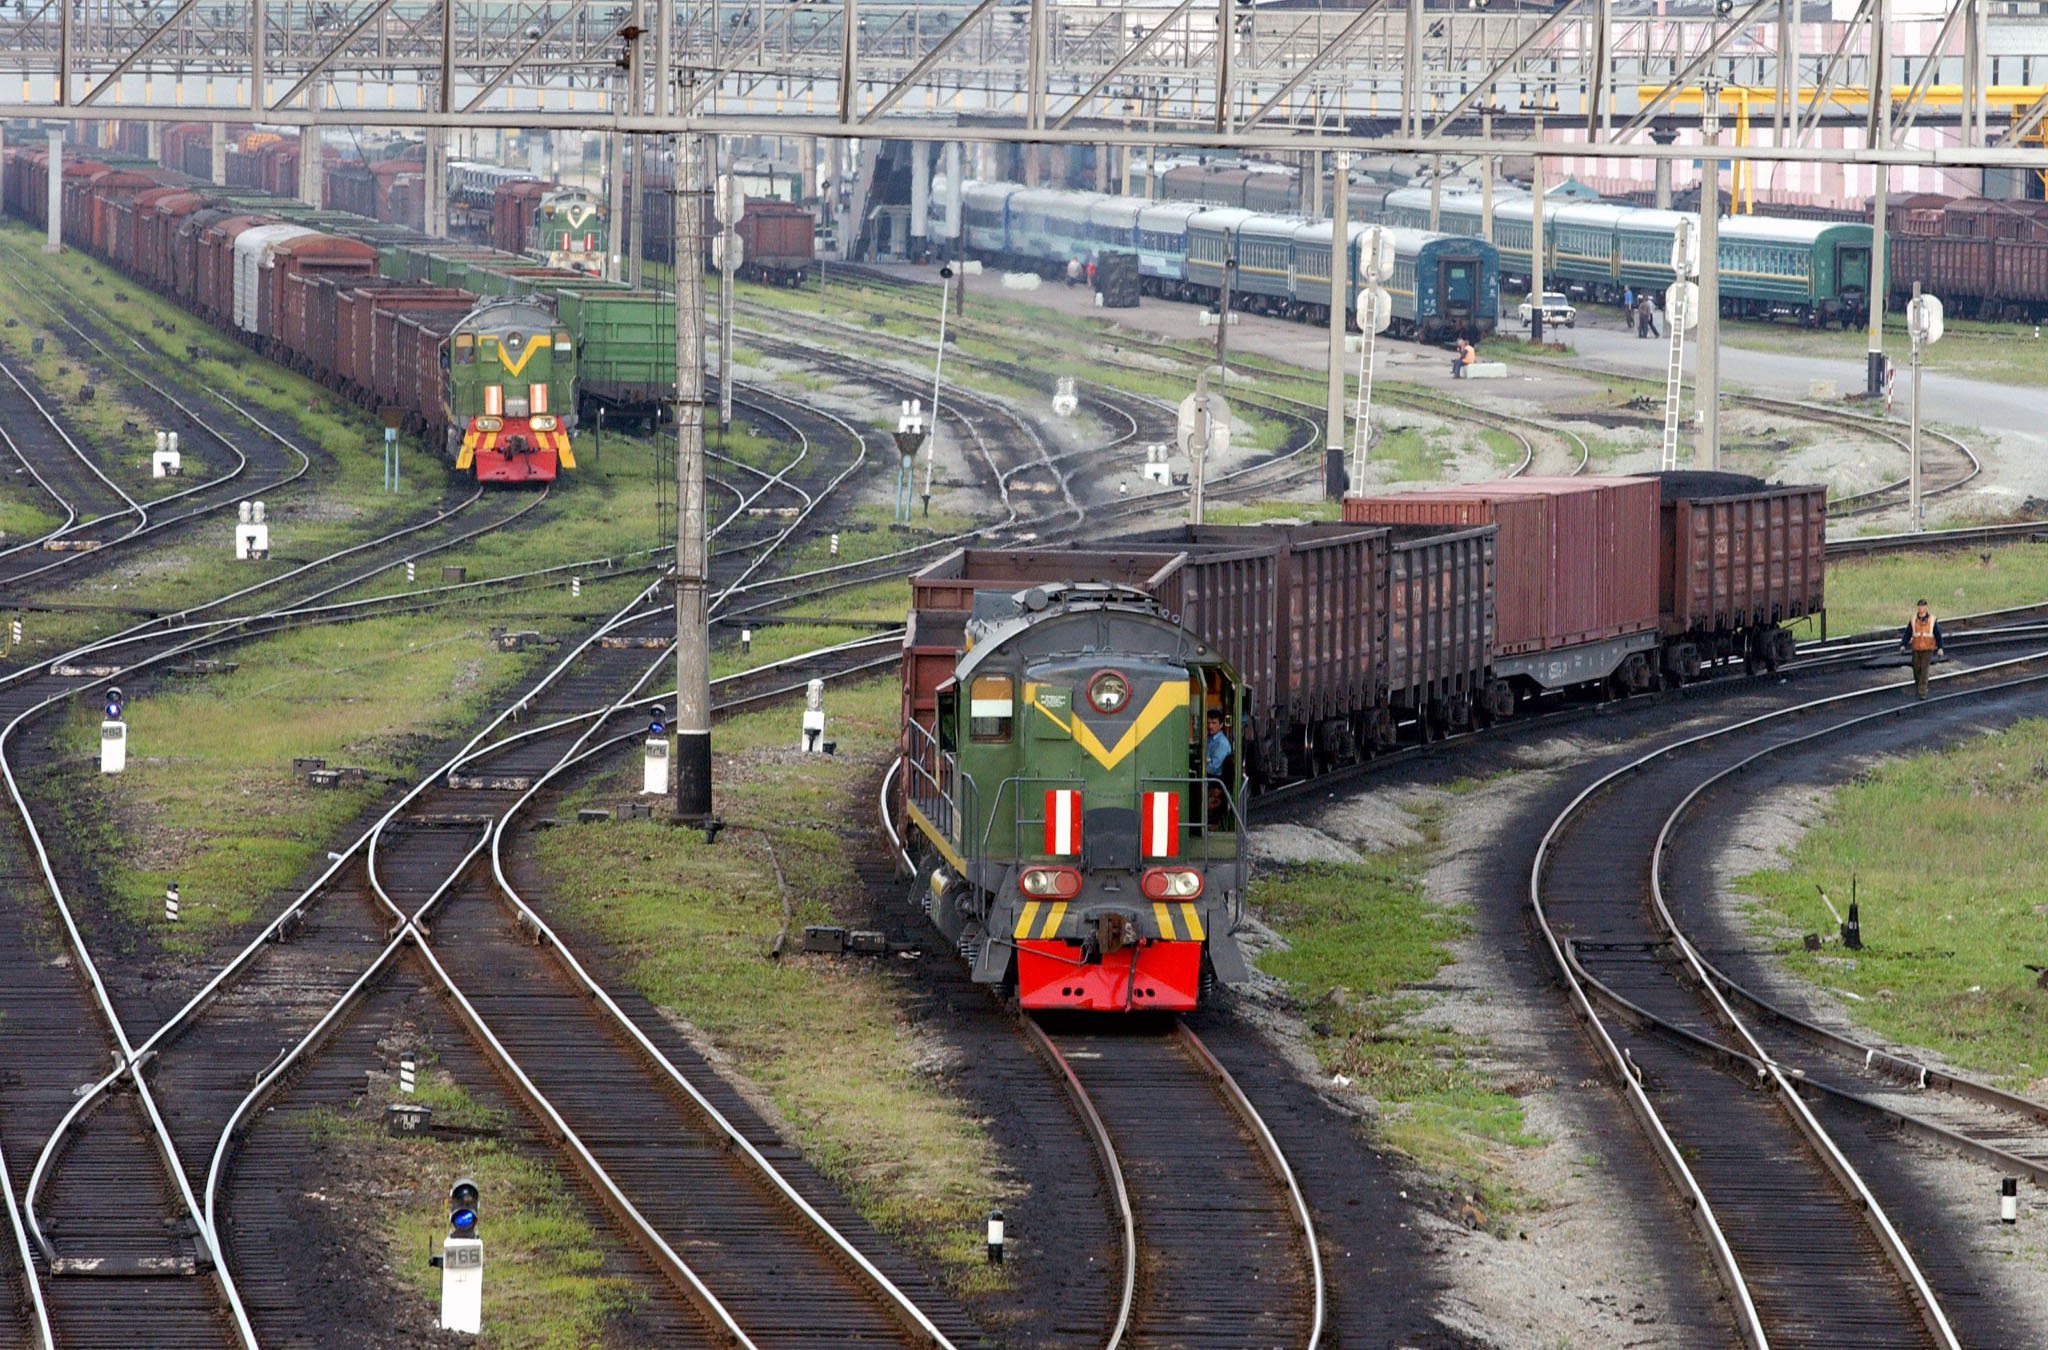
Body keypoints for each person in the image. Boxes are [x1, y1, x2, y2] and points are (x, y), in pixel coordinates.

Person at [1900, 598, 1946, 699]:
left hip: (1927, 649)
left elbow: (1938, 635)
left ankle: (1922, 692)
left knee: (1924, 670)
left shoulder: (1932, 620)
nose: (1920, 608)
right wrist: (1903, 644)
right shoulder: (1913, 620)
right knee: (1916, 669)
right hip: (1916, 648)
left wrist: (1940, 647)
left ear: (1925, 607)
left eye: (1922, 606)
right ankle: (1919, 688)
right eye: (1919, 606)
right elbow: (1908, 633)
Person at [1204, 709, 1232, 780]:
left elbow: (1213, 768)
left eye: (1214, 723)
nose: (1210, 726)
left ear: (1221, 725)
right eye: (1208, 723)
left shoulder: (1221, 743)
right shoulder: (1209, 739)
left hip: (1214, 779)